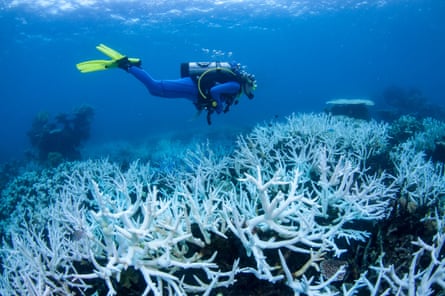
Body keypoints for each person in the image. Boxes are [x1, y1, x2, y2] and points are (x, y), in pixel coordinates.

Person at [77, 44, 257, 125]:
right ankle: (127, 65)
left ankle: (134, 66)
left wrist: (210, 104)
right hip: (191, 87)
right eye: (252, 88)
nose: (251, 91)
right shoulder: (235, 86)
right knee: (155, 88)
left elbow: (211, 93)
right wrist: (217, 107)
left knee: (156, 89)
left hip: (192, 90)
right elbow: (216, 90)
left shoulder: (235, 87)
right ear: (247, 83)